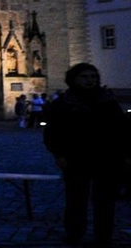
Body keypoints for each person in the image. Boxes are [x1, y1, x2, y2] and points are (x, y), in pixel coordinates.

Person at [43, 62, 128, 246]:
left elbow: (121, 130)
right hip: (75, 157)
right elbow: (53, 132)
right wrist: (58, 154)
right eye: (84, 76)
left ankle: (103, 235)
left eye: (93, 77)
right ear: (73, 79)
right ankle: (74, 232)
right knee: (75, 200)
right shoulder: (63, 103)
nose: (90, 80)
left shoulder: (108, 101)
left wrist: (125, 155)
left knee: (105, 201)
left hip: (106, 157)